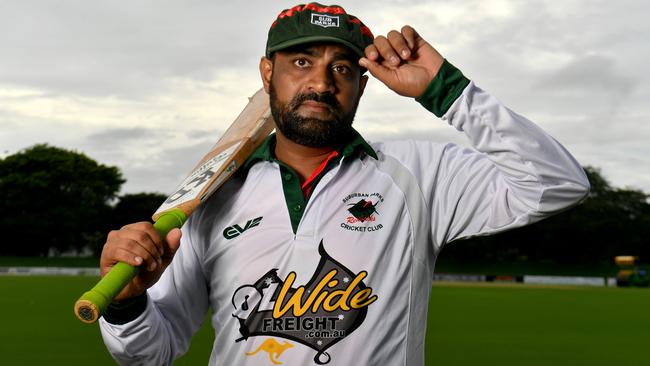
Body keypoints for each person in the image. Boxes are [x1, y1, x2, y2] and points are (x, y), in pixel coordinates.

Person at [98, 3, 590, 365]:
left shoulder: (421, 174)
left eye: (341, 68)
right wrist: (126, 304)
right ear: (267, 73)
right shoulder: (205, 199)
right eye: (301, 62)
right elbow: (148, 355)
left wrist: (449, 91)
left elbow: (558, 184)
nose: (321, 83)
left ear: (363, 83)